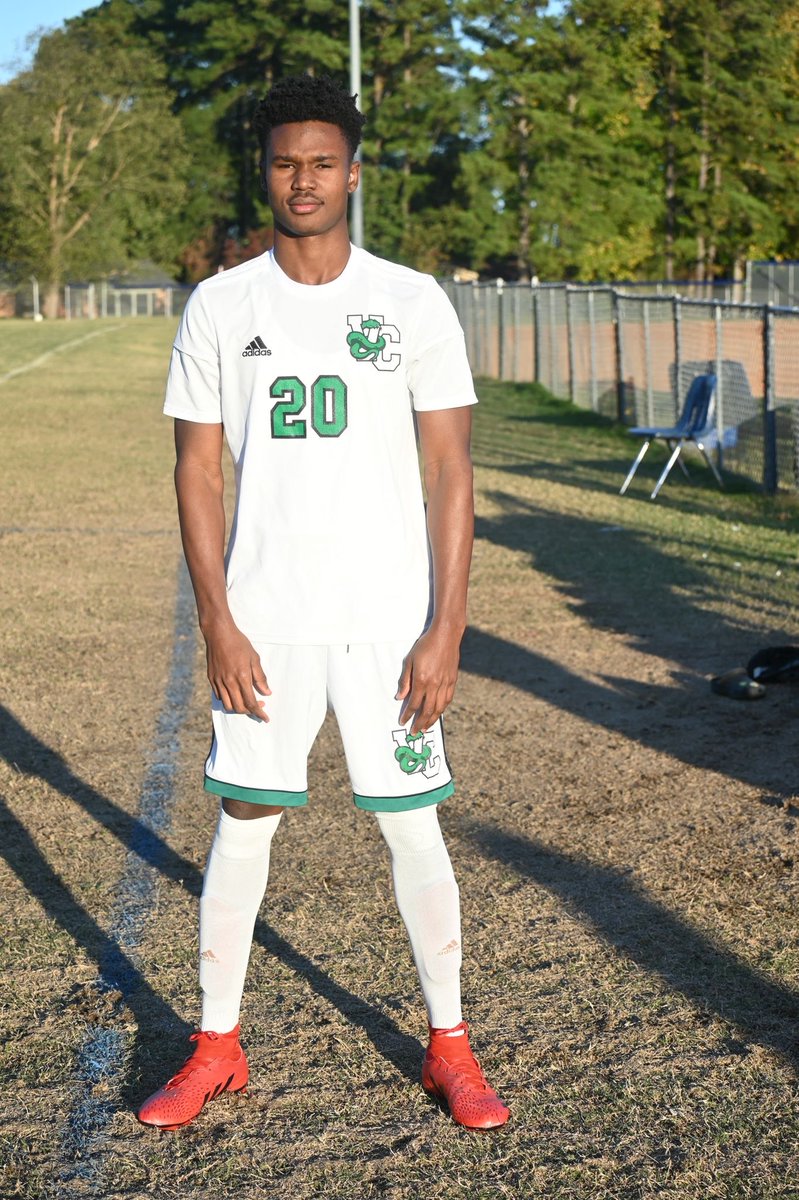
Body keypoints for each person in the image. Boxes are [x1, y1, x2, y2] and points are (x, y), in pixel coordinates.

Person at [137, 73, 509, 1133]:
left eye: (320, 161)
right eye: (282, 161)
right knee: (244, 821)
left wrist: (444, 627)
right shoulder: (222, 303)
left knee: (412, 832)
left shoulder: (410, 300)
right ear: (265, 171)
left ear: (353, 171)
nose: (301, 179)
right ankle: (216, 1047)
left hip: (388, 622)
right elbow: (198, 474)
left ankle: (450, 1048)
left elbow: (452, 473)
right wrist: (217, 619)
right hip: (266, 621)